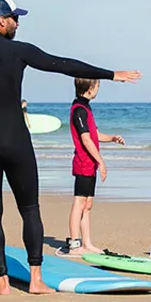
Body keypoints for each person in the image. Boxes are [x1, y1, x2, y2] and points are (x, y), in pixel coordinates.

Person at [0, 0, 140, 295]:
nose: (18, 22)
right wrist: (111, 74)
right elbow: (61, 65)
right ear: (0, 21)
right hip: (16, 141)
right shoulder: (18, 51)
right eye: (14, 17)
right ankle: (35, 280)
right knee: (29, 208)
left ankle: (1, 283)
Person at [58, 78, 124, 256]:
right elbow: (86, 139)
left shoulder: (85, 107)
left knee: (87, 204)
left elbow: (93, 134)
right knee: (79, 202)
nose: (98, 90)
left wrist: (111, 138)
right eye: (97, 86)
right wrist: (101, 161)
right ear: (89, 89)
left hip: (90, 164)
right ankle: (74, 244)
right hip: (83, 163)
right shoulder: (79, 109)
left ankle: (87, 243)